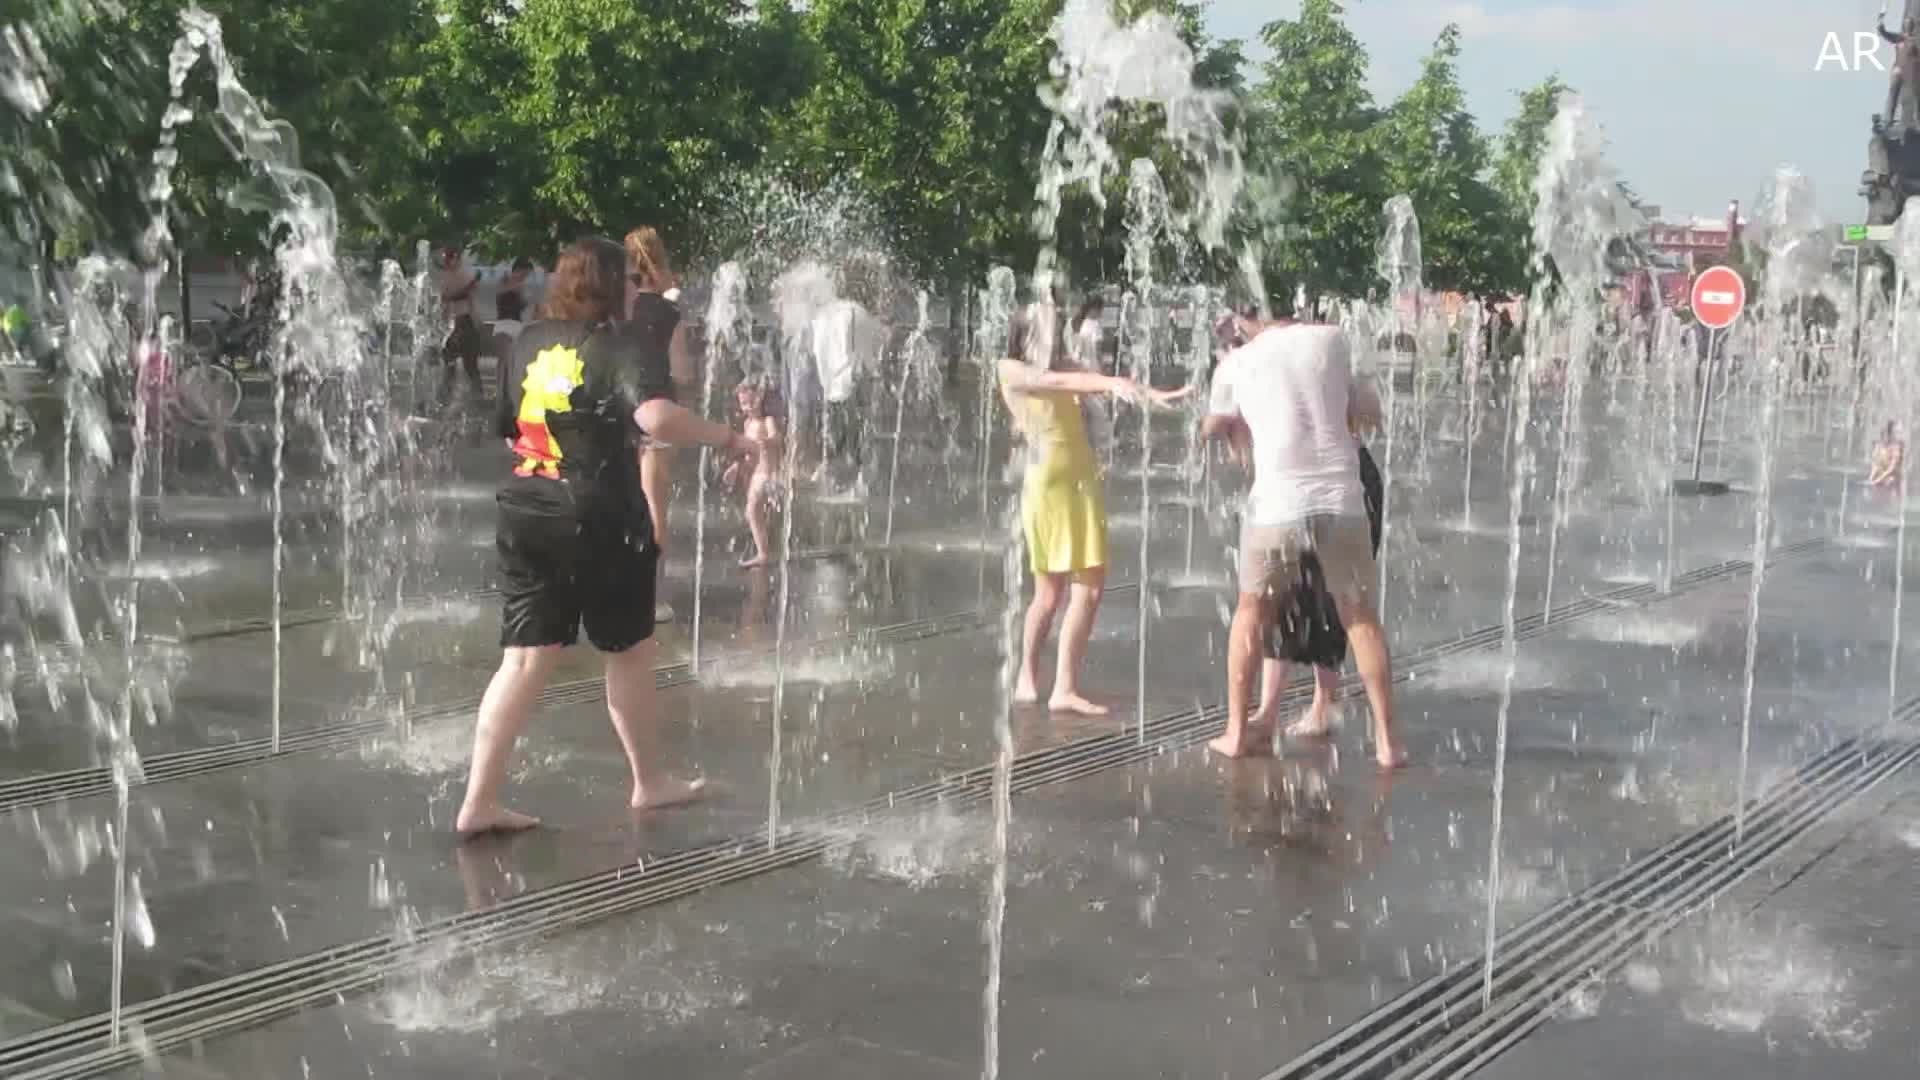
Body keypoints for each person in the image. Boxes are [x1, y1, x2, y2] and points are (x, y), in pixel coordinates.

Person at [455, 236, 759, 836]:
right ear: (611, 285)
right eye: (627, 280)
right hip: (601, 516)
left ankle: (479, 799)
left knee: (523, 661)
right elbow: (655, 416)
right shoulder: (620, 344)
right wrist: (729, 438)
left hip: (525, 509)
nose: (633, 289)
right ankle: (650, 782)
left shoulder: (527, 341)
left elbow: (509, 426)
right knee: (628, 652)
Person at [1202, 310, 1404, 767]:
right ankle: (1388, 743)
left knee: (1251, 613)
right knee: (1360, 617)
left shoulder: (1236, 362)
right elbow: (1369, 414)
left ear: (1247, 318)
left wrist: (1229, 421)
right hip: (1342, 499)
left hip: (1277, 505)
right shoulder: (1335, 339)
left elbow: (1213, 426)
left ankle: (1237, 734)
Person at [1000, 301, 1188, 714]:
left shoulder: (1060, 364)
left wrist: (1155, 394)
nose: (1055, 332)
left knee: (1089, 586)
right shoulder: (1010, 369)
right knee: (1049, 593)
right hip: (1048, 485)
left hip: (1081, 480)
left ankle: (1062, 685)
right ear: (1025, 333)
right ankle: (1029, 676)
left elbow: (1092, 379)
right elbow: (1061, 382)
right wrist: (1108, 383)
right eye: (1047, 326)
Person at [624, 227, 693, 624]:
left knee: (619, 499)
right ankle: (650, 595)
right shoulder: (669, 314)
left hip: (619, 414)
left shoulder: (617, 309)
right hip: (658, 416)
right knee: (654, 506)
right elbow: (682, 372)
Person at [723, 379, 784, 567]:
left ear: (760, 398)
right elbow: (746, 452)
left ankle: (763, 553)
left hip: (769, 474)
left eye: (750, 402)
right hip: (757, 475)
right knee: (755, 512)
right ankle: (766, 548)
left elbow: (777, 438)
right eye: (743, 404)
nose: (747, 408)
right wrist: (736, 467)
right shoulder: (748, 424)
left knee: (753, 510)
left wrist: (768, 441)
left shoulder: (767, 421)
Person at [1069, 296, 1115, 468]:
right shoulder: (1095, 326)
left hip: (1082, 373)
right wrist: (1103, 373)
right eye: (1101, 310)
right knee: (1099, 414)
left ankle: (1085, 452)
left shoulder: (1082, 325)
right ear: (1094, 309)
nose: (1101, 314)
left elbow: (1077, 353)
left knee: (1085, 413)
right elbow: (1098, 351)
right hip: (1094, 372)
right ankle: (1098, 455)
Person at [439, 246, 485, 399]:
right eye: (445, 258)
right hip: (453, 322)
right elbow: (446, 299)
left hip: (466, 320)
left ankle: (477, 395)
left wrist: (470, 287)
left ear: (457, 259)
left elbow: (469, 298)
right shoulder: (447, 277)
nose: (446, 262)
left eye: (450, 258)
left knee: (470, 363)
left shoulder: (466, 274)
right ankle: (446, 395)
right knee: (449, 359)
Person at [1880, 14, 1920, 135]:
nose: (1907, 26)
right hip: (1898, 69)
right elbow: (1887, 35)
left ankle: (1918, 121)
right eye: (1906, 24)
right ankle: (1888, 122)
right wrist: (1881, 29)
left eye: (1909, 24)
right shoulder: (1899, 38)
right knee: (1893, 94)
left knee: (1916, 95)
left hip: (1911, 70)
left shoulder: (1915, 40)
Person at [491, 256, 536, 360]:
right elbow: (498, 293)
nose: (524, 277)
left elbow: (521, 306)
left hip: (516, 324)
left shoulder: (522, 287)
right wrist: (515, 288)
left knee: (514, 359)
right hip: (504, 324)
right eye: (524, 274)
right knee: (504, 358)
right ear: (517, 270)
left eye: (526, 275)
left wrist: (526, 300)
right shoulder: (504, 280)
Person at [1871, 421, 1905, 491]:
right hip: (1883, 477)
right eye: (1883, 436)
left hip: (1894, 479)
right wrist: (1871, 477)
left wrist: (1878, 480)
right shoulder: (1879, 446)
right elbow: (1876, 464)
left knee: (1891, 482)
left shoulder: (1897, 447)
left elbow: (1892, 468)